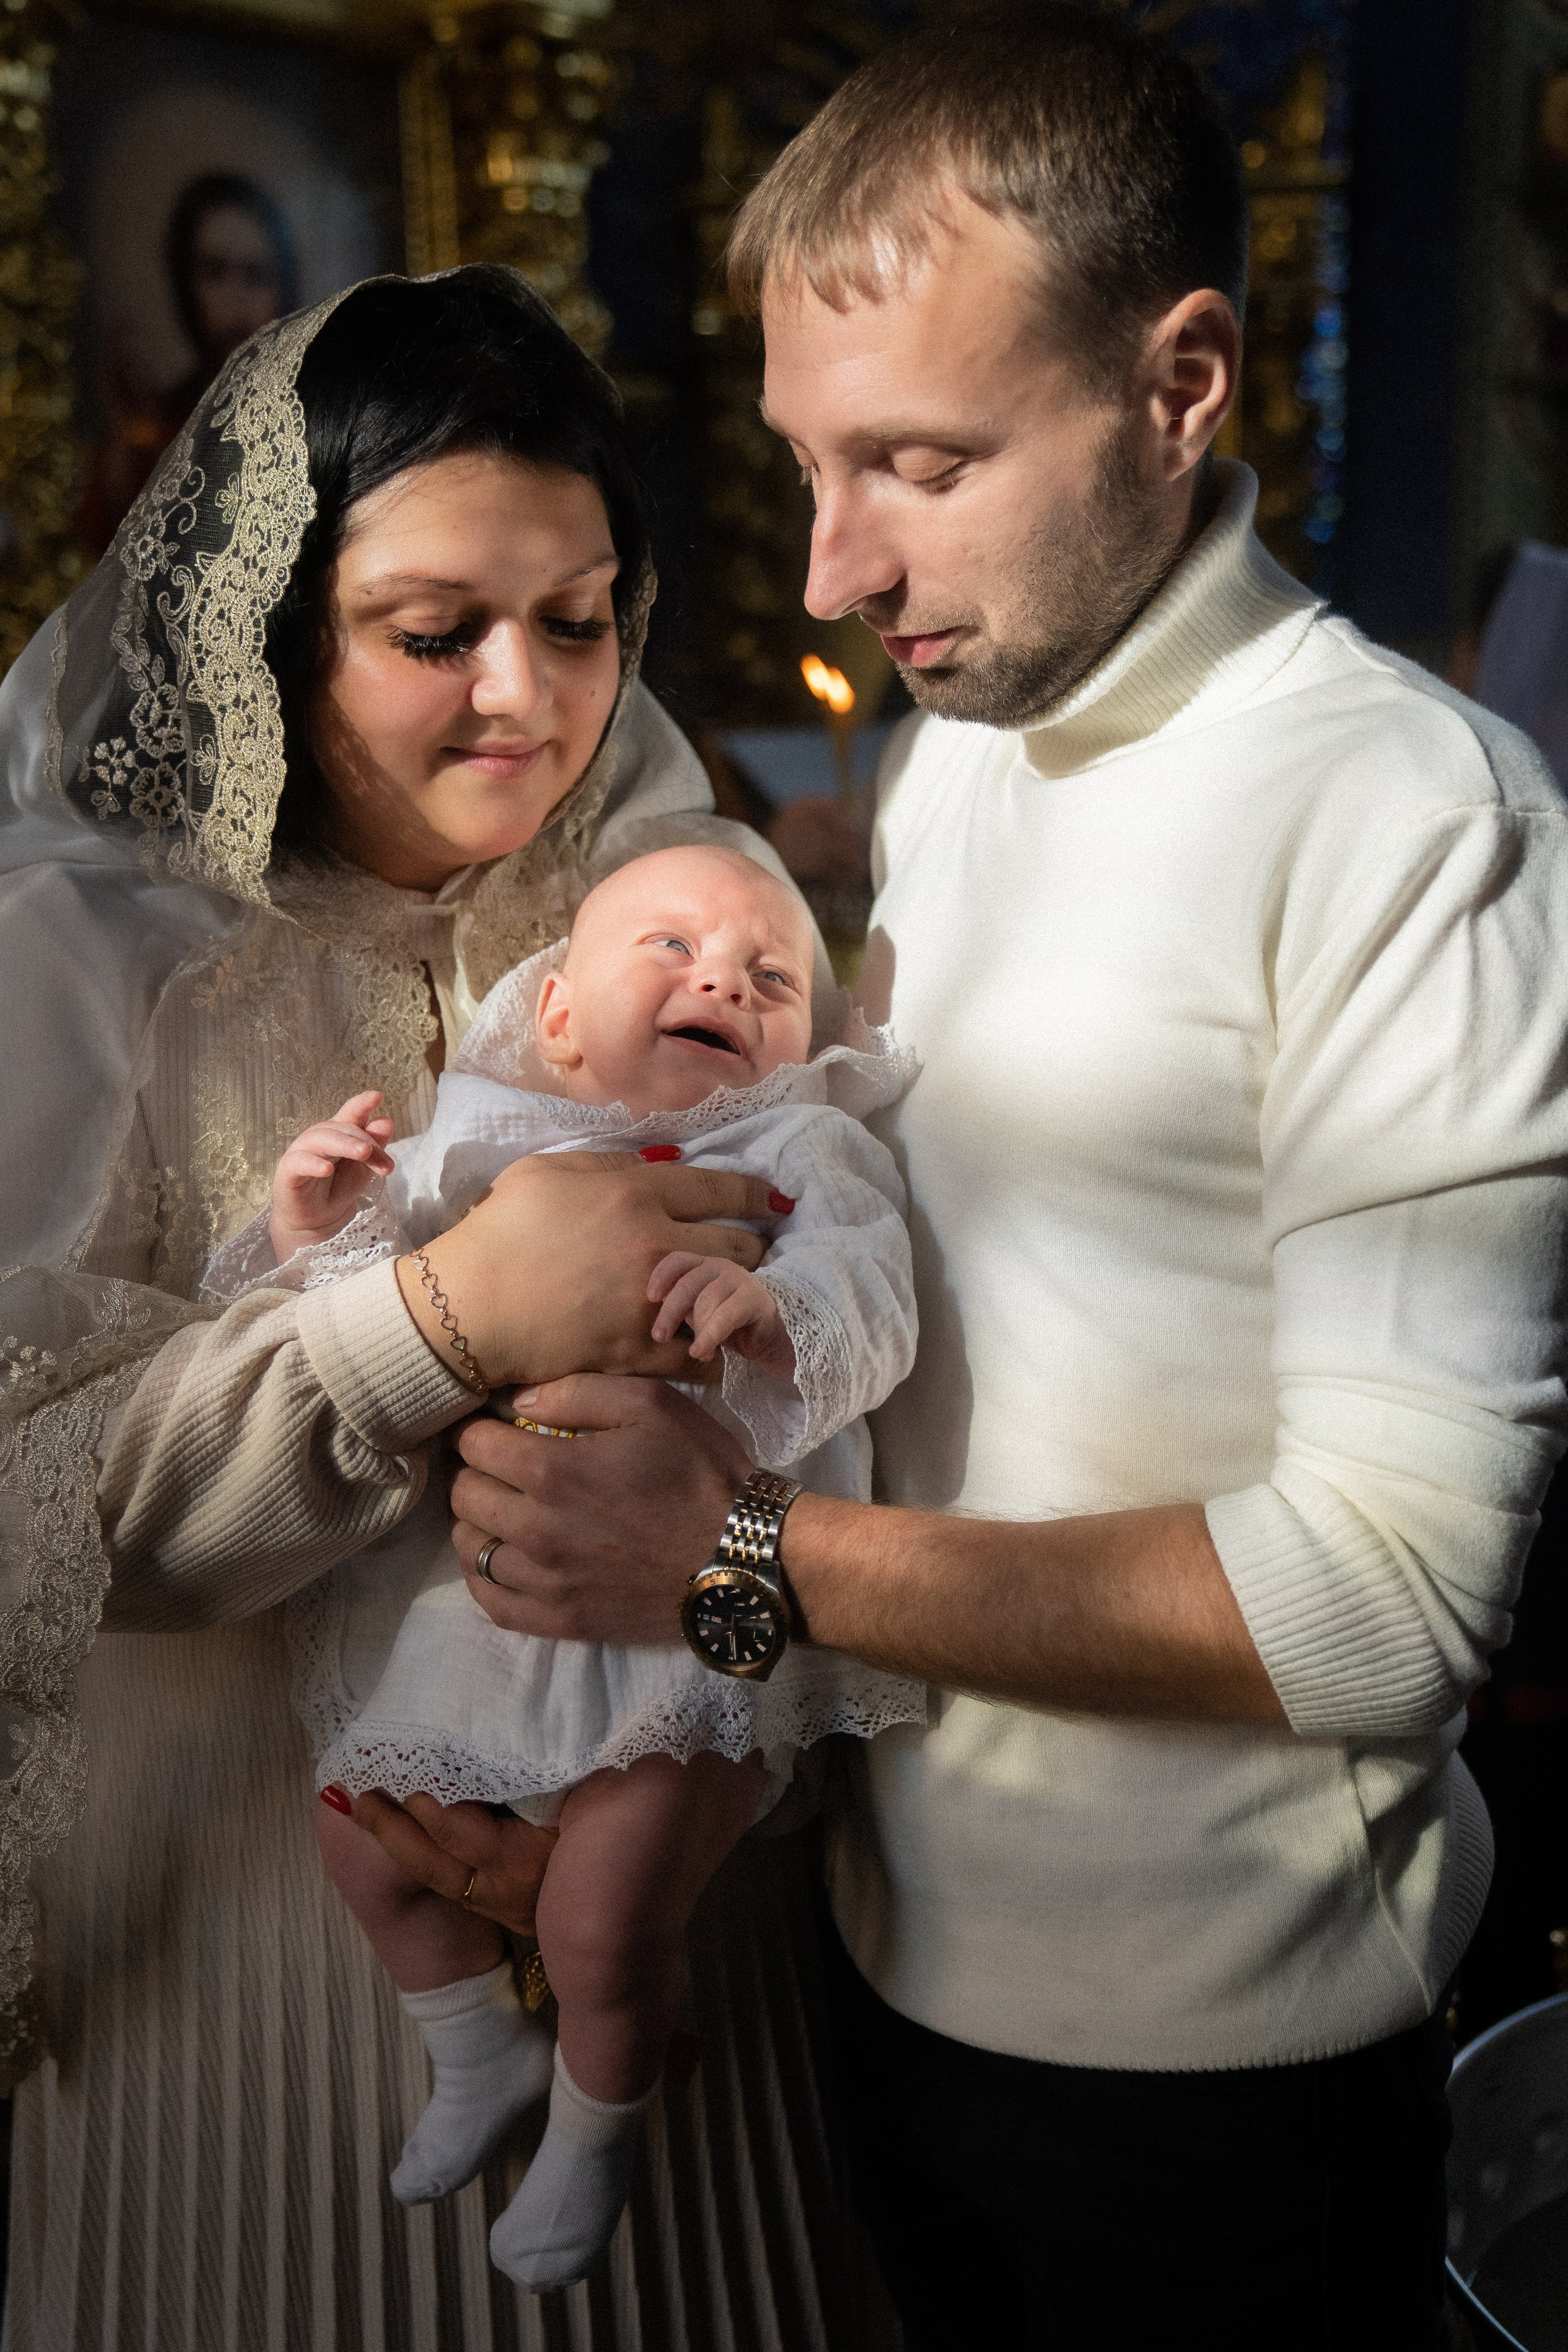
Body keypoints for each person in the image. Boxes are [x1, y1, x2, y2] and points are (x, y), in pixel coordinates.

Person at [419, 12, 1568, 2348]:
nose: (835, 569)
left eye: (919, 464)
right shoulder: (963, 751)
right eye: (808, 466)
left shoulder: (1408, 815)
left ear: (1178, 384)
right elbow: (902, 1406)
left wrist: (720, 1558)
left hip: (1199, 2092)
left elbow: (1383, 1603)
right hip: (867, 1960)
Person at [1, 268, 888, 2348]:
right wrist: (447, 1318)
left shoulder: (694, 936)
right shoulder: (87, 959)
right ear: (270, 631)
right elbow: (24, 1509)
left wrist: (733, 1744)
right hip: (253, 1983)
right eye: (433, 634)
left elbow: (837, 1465)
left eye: (579, 620)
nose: (527, 696)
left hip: (675, 1959)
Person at [202, 842, 921, 2290]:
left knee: (605, 1908)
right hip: (475, 1607)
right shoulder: (473, 1146)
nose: (721, 973)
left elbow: (874, 1303)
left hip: (693, 1629)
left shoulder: (802, 1155)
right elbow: (336, 1325)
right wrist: (313, 1224)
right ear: (558, 1021)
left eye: (769, 974)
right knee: (358, 1821)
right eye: (668, 947)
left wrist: (773, 1308)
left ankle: (604, 2111)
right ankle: (473, 2042)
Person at [77, 173, 299, 555]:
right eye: (215, 273)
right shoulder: (156, 425)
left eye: (255, 277)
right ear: (185, 285)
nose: (236, 300)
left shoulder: (315, 415)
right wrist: (133, 439)